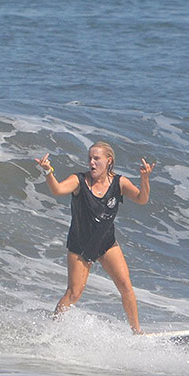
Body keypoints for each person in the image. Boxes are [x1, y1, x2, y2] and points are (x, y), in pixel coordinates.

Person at [35, 142, 155, 333]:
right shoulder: (79, 180)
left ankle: (137, 332)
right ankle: (52, 330)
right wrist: (48, 172)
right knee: (74, 293)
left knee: (126, 286)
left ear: (109, 161)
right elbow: (57, 190)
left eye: (96, 158)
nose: (91, 162)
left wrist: (145, 178)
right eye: (90, 158)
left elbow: (142, 199)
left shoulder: (119, 183)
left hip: (106, 244)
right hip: (80, 246)